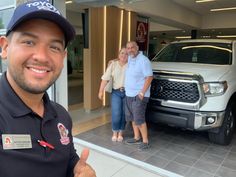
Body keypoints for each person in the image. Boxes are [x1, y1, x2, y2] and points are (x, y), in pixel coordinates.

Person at [0, 1, 96, 177]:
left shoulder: (61, 115)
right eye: (29, 42)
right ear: (5, 47)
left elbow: (66, 157)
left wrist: (77, 168)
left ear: (63, 57)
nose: (42, 56)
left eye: (54, 47)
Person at [124, 41, 153, 150]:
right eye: (128, 48)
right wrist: (113, 61)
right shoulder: (131, 58)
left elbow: (149, 77)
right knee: (132, 118)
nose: (130, 49)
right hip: (129, 94)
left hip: (139, 95)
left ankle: (145, 141)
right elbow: (121, 59)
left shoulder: (143, 60)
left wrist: (142, 93)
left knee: (139, 119)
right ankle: (137, 137)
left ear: (137, 48)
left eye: (132, 47)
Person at [98, 47, 128, 142]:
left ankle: (121, 133)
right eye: (122, 53)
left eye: (126, 54)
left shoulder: (131, 65)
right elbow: (105, 78)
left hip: (128, 93)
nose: (124, 55)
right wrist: (100, 91)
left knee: (124, 114)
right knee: (116, 113)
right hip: (116, 92)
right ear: (119, 54)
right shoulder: (113, 65)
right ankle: (115, 132)